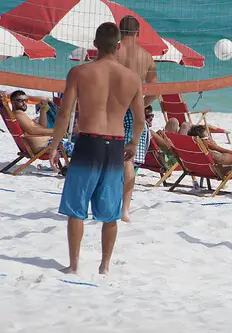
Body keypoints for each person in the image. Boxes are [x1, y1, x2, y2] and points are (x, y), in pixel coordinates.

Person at [48, 22, 145, 275]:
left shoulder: (79, 72)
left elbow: (64, 113)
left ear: (94, 44)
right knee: (110, 213)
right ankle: (104, 266)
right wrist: (133, 143)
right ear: (119, 45)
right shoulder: (132, 78)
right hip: (114, 146)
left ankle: (74, 265)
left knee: (76, 209)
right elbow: (140, 120)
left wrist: (55, 145)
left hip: (88, 143)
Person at [117, 15, 158, 223]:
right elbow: (155, 91)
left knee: (109, 158)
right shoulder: (147, 57)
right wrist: (141, 103)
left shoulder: (112, 52)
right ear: (138, 33)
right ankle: (125, 208)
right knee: (129, 161)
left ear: (118, 30)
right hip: (134, 111)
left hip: (112, 109)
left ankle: (111, 203)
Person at [7, 90, 74, 156]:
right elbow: (32, 130)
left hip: (47, 145)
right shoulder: (18, 114)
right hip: (46, 146)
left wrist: (43, 109)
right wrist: (56, 131)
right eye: (21, 101)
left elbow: (42, 127)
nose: (24, 103)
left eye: (26, 100)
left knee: (79, 149)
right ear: (12, 102)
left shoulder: (20, 115)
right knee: (79, 150)